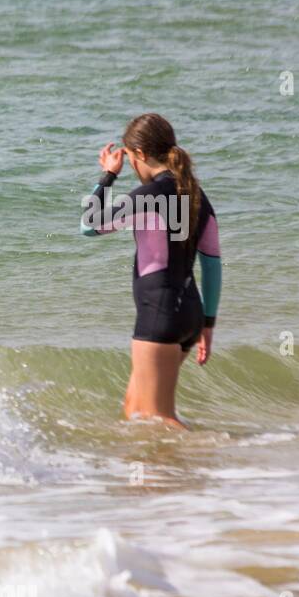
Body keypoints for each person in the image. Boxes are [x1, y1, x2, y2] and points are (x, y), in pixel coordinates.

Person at [80, 113, 223, 428]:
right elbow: (212, 266)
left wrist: (107, 176)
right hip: (189, 315)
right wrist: (208, 325)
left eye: (129, 158)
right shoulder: (198, 197)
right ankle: (158, 473)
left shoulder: (148, 197)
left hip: (160, 315)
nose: (130, 164)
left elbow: (89, 226)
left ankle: (207, 461)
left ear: (140, 154)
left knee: (157, 417)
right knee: (134, 407)